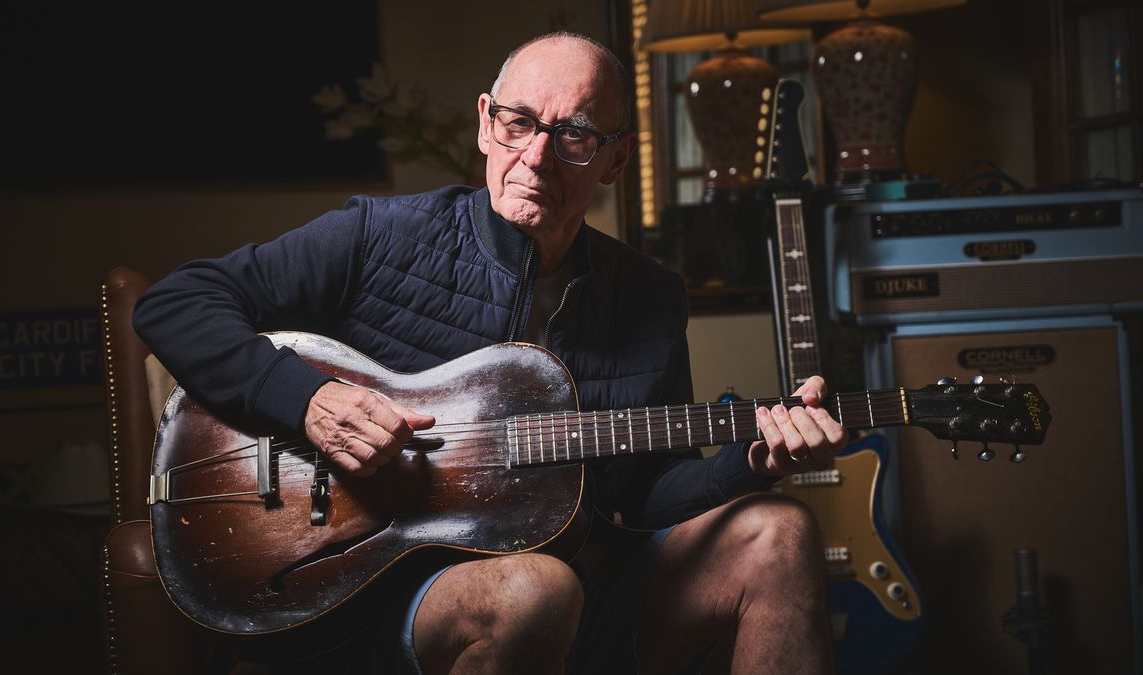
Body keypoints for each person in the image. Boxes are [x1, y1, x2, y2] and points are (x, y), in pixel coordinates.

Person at [134, 31, 846, 675]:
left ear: (616, 157)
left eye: (573, 134)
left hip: (585, 582)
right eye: (518, 123)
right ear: (485, 122)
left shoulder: (649, 296)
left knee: (779, 532)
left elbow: (644, 487)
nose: (535, 156)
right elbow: (174, 302)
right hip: (379, 588)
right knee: (535, 586)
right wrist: (310, 400)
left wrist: (751, 459)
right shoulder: (378, 236)